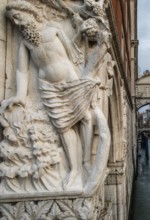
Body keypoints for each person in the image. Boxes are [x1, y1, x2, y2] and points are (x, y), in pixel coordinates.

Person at [2, 1, 109, 189]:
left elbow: (72, 50)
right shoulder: (25, 43)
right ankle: (74, 169)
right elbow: (21, 71)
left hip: (68, 79)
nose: (17, 22)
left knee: (84, 117)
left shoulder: (53, 29)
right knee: (63, 127)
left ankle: (85, 162)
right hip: (47, 87)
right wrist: (19, 95)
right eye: (13, 20)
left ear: (30, 13)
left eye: (18, 16)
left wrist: (81, 32)